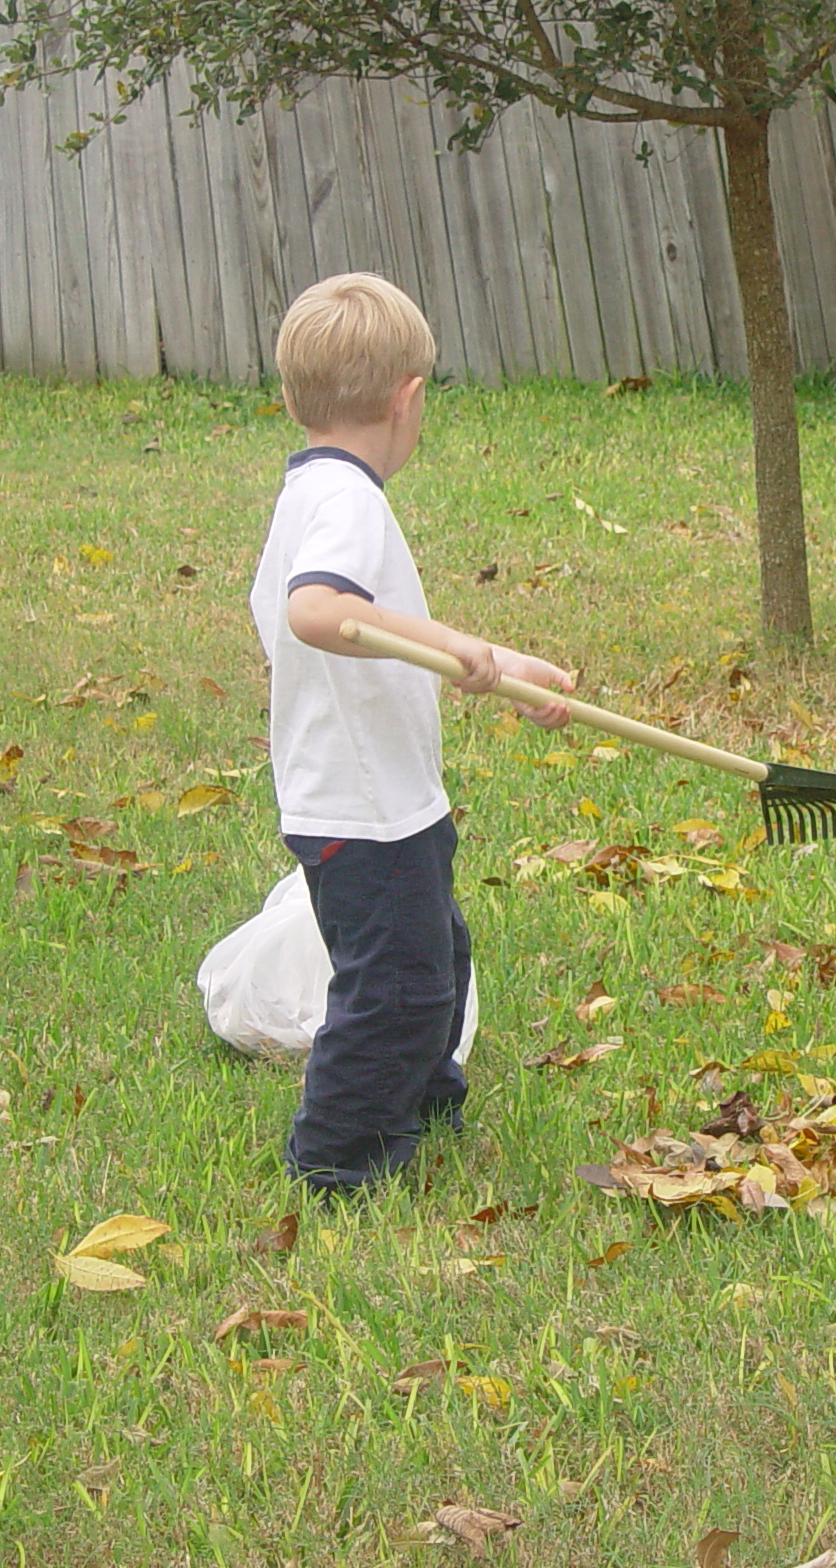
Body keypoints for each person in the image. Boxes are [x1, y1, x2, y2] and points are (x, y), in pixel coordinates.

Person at [251, 271, 573, 1196]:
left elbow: (326, 615)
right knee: (398, 988)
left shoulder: (311, 487)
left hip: (370, 790)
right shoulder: (349, 501)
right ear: (410, 399)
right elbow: (316, 610)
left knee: (434, 958)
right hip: (365, 801)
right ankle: (337, 1157)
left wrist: (500, 666)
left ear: (291, 398)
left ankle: (427, 1102)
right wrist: (452, 644)